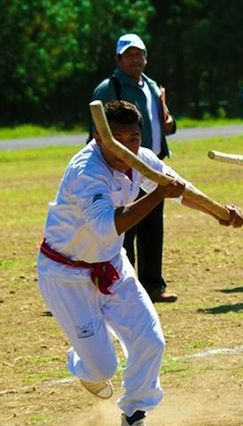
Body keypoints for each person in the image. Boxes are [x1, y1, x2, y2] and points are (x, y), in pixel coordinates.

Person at [38, 100, 243, 426]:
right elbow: (107, 226)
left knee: (150, 339)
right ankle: (86, 360)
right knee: (102, 368)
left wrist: (219, 212)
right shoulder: (87, 171)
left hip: (111, 266)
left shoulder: (141, 158)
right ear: (99, 137)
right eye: (116, 138)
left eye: (133, 138)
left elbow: (180, 187)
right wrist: (157, 195)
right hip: (65, 274)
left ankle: (134, 422)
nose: (127, 146)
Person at [92, 33, 178, 303]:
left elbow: (163, 121)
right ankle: (119, 286)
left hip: (151, 166)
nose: (135, 58)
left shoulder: (153, 86)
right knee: (124, 228)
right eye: (128, 54)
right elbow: (99, 130)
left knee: (153, 228)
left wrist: (169, 123)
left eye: (139, 53)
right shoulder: (109, 88)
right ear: (118, 59)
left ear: (146, 57)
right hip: (121, 168)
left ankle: (153, 285)